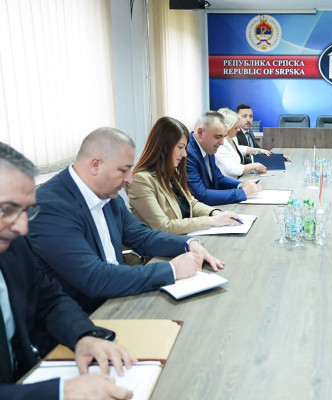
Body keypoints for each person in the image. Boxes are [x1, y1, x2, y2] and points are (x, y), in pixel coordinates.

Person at [28, 127, 225, 313]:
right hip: (85, 315)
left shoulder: (107, 193)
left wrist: (188, 243)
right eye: (124, 170)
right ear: (96, 165)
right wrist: (172, 270)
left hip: (119, 297)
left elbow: (141, 236)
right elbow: (93, 278)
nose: (129, 179)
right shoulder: (50, 206)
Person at [0, 142, 136, 399]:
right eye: (6, 210)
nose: (22, 227)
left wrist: (84, 335)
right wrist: (60, 392)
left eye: (26, 211)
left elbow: (49, 300)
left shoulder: (14, 245)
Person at [126, 116, 241, 234]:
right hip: (164, 245)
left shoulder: (172, 173)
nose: (185, 154)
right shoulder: (140, 180)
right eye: (180, 147)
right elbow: (163, 226)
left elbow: (192, 204)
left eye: (185, 148)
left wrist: (216, 213)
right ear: (163, 147)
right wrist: (210, 221)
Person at [187, 111, 261, 206]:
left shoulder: (207, 146)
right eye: (218, 137)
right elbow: (201, 195)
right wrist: (243, 193)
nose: (222, 142)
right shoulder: (187, 153)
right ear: (200, 133)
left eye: (224, 137)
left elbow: (219, 178)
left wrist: (242, 185)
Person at [215, 108, 270, 180]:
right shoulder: (220, 146)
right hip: (230, 183)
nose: (238, 130)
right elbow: (233, 169)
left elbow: (238, 149)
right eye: (235, 128)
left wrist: (258, 150)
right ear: (226, 128)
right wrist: (253, 166)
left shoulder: (232, 138)